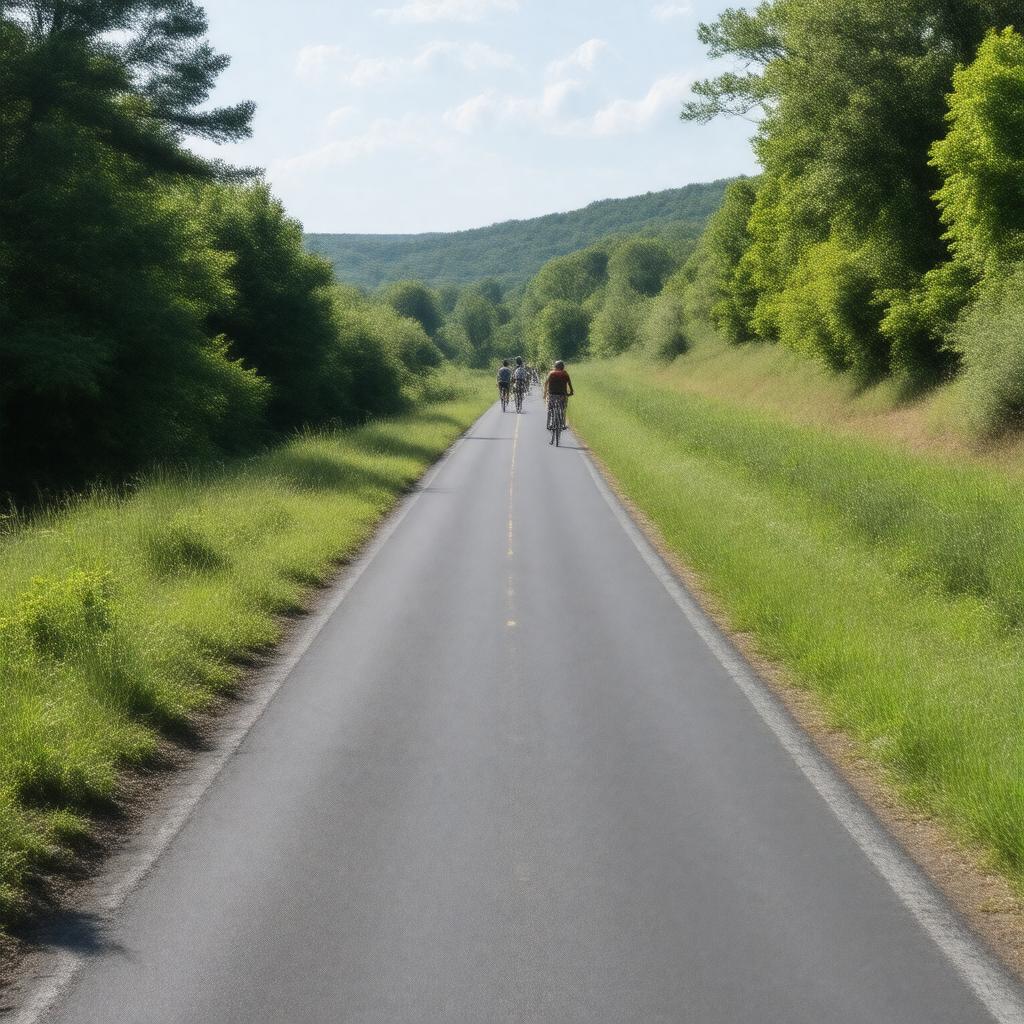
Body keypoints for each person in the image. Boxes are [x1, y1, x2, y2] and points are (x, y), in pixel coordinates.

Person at [543, 360, 574, 431]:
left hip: (552, 395)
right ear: (563, 367)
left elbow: (546, 383)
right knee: (563, 408)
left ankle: (549, 423)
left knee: (550, 408)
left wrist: (545, 394)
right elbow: (569, 384)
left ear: (555, 366)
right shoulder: (565, 374)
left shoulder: (551, 373)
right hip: (562, 395)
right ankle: (563, 424)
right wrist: (571, 392)